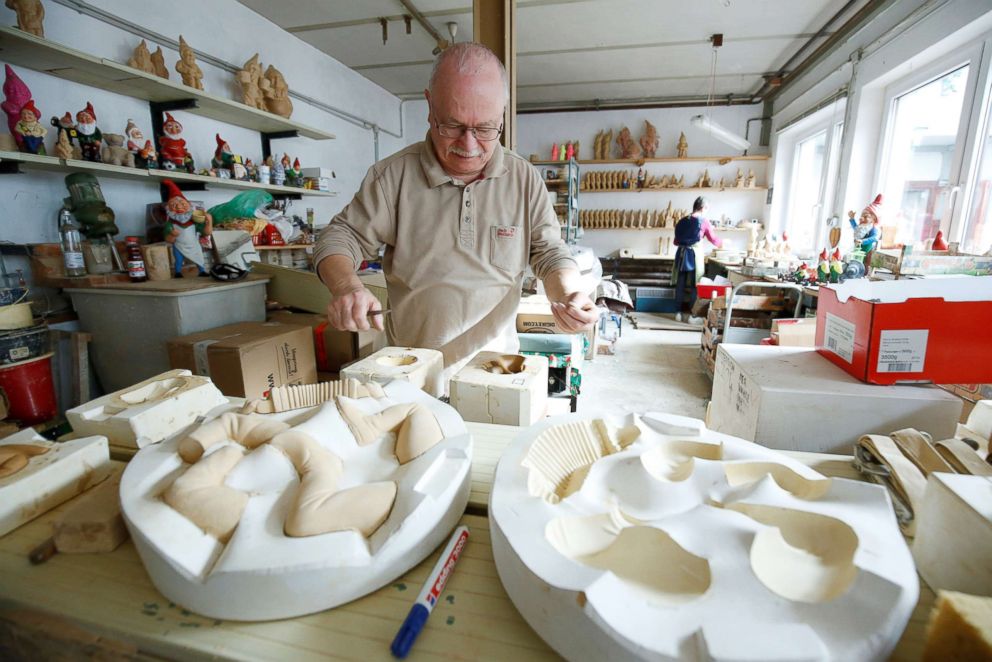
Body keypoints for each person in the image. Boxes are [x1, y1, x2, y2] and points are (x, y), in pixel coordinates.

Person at [313, 42, 598, 380]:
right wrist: (347, 287)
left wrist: (570, 295)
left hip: (496, 372)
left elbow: (549, 253)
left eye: (485, 128)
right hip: (410, 370)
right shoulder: (393, 177)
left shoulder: (523, 179)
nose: (469, 145)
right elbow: (340, 236)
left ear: (503, 115)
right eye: (452, 125)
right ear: (429, 106)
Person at [671, 196, 722, 323]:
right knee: (695, 285)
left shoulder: (682, 221)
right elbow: (714, 240)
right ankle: (691, 316)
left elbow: (676, 242)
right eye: (707, 209)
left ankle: (677, 313)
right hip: (694, 255)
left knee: (680, 284)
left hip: (682, 254)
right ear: (703, 207)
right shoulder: (704, 222)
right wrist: (723, 244)